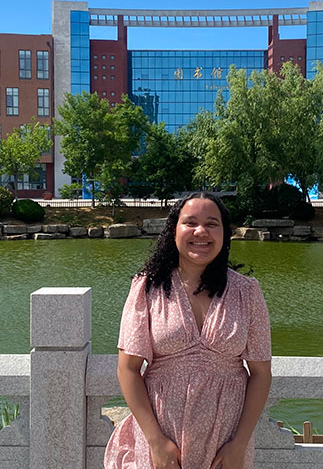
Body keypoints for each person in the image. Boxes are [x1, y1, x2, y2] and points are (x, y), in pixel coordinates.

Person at [104, 191, 272, 469]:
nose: (201, 232)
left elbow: (261, 373)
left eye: (212, 223)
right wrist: (156, 441)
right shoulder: (148, 288)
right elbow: (128, 369)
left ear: (225, 233)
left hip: (225, 440)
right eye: (190, 222)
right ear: (174, 230)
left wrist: (239, 443)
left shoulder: (247, 292)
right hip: (162, 438)